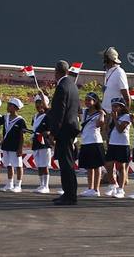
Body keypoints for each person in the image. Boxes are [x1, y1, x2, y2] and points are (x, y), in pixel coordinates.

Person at [47, 59, 81, 205]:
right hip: (71, 127)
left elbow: (59, 113)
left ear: (56, 72)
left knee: (66, 163)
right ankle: (69, 193)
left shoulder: (61, 87)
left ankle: (69, 195)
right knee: (68, 162)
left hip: (64, 130)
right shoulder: (72, 85)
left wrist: (53, 133)